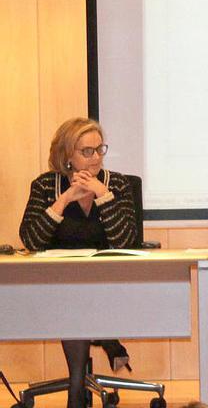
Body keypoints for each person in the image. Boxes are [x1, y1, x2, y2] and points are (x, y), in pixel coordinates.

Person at [19, 117, 137, 408]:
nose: (96, 157)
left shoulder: (117, 184)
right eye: (87, 151)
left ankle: (75, 389)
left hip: (110, 283)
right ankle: (79, 379)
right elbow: (31, 240)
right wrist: (64, 200)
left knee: (79, 297)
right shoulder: (47, 185)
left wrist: (102, 194)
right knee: (71, 295)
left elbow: (126, 241)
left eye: (100, 149)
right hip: (59, 285)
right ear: (66, 155)